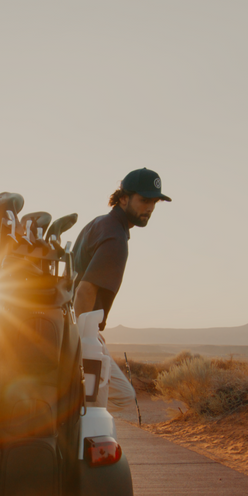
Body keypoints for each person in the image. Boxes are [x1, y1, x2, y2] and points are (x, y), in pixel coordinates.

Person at [71, 167, 171, 409]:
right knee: (110, 403)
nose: (150, 208)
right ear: (123, 198)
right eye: (144, 200)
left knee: (113, 398)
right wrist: (85, 342)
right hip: (81, 334)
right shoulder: (115, 238)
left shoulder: (100, 223)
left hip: (80, 327)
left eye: (154, 202)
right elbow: (84, 290)